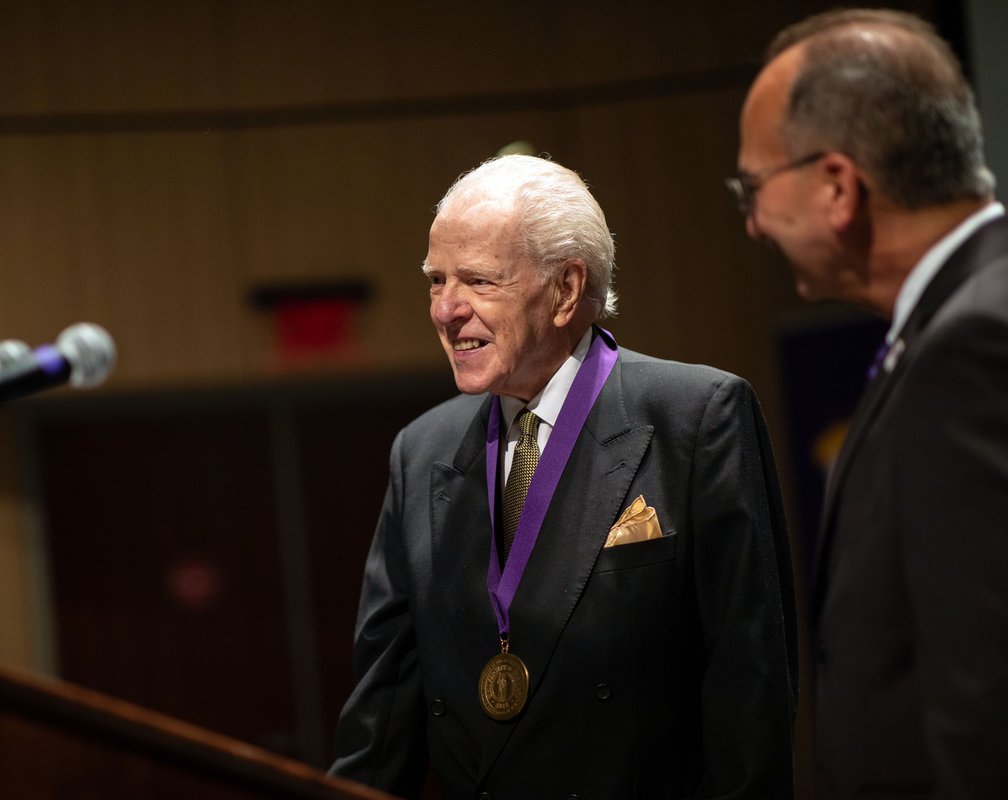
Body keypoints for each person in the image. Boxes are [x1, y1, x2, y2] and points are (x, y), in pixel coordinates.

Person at [331, 154, 797, 798]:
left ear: (566, 290)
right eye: (436, 280)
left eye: (478, 281)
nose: (445, 309)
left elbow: (751, 694)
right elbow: (381, 717)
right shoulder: (420, 450)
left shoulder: (698, 419)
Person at [734, 9, 1008, 798]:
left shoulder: (973, 345)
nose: (751, 224)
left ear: (838, 187)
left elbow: (986, 698)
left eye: (752, 187)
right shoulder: (957, 323)